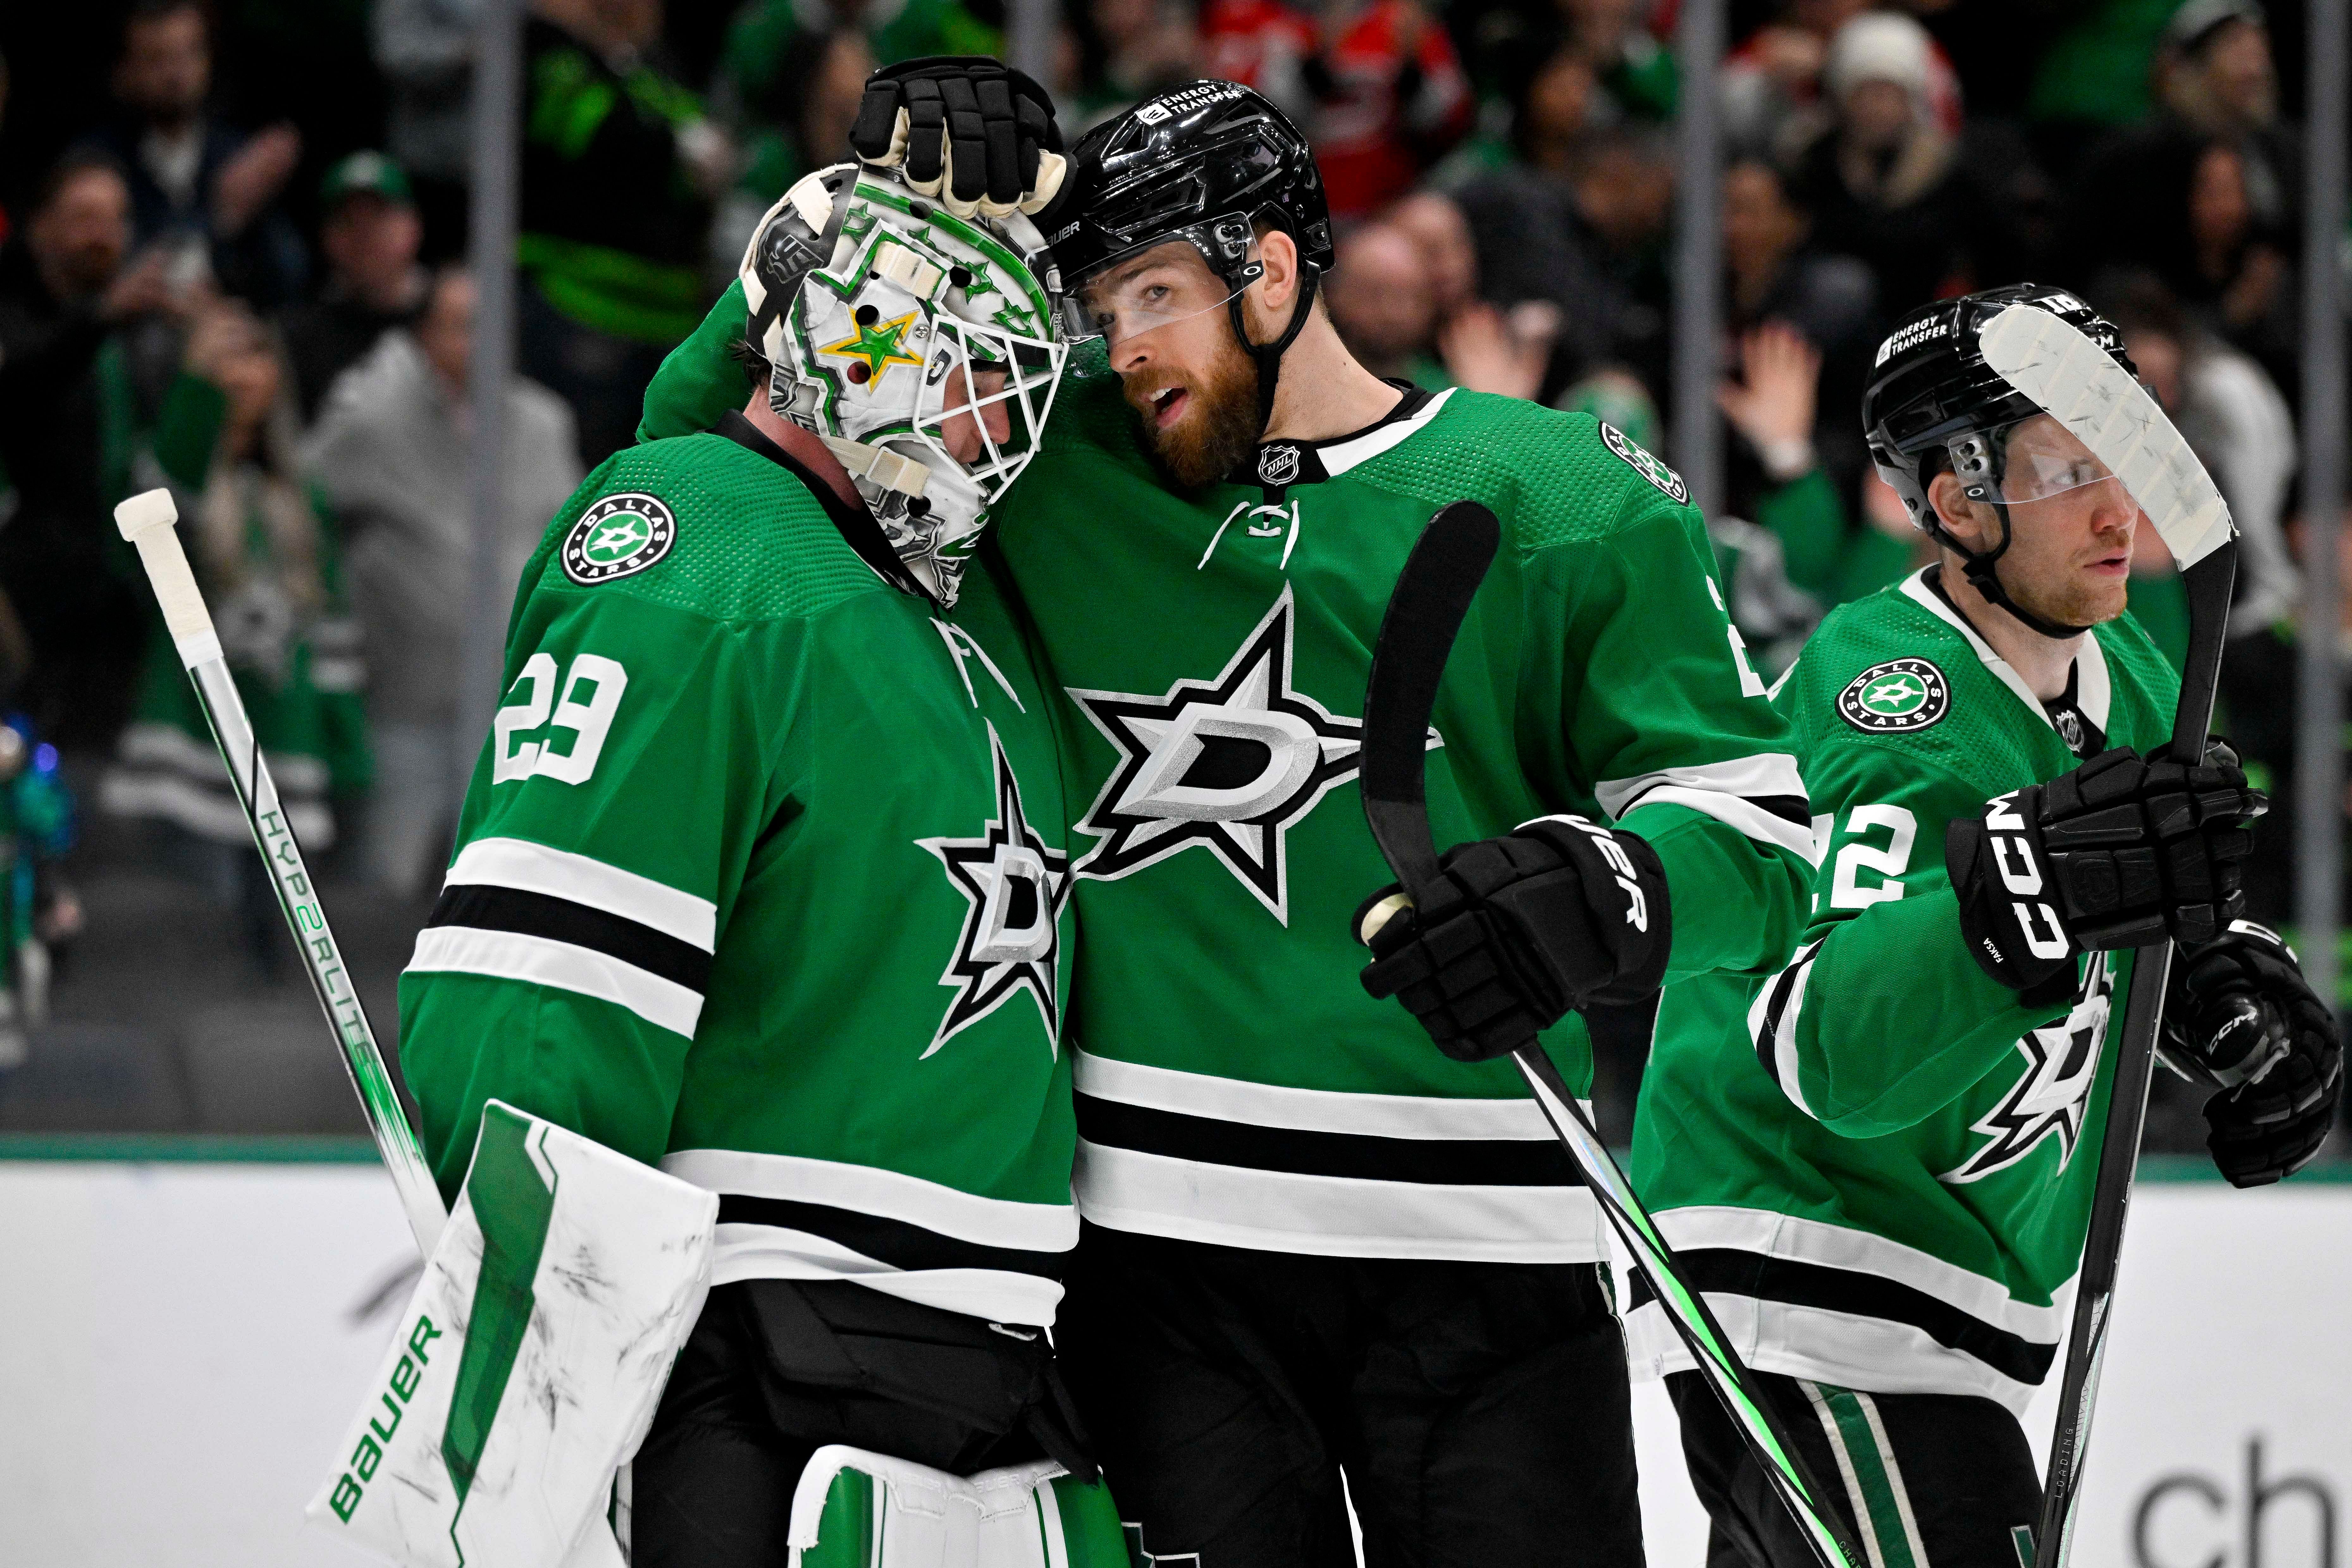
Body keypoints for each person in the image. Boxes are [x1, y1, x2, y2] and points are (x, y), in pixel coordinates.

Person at [646, 74, 1816, 1566]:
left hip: (1491, 1261)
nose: (1120, 351)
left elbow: (1770, 839)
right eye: (1097, 309)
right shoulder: (1033, 463)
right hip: (1153, 1270)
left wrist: (1600, 888)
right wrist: (830, 229)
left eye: (1152, 296)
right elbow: (716, 464)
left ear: (1266, 272)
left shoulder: (1562, 495)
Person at [398, 160, 1096, 1566]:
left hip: (989, 1351)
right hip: (763, 1327)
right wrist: (546, 1311)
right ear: (864, 351)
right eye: (981, 380)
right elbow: (549, 974)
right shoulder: (708, 545)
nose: (1008, 432)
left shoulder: (943, 611)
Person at [1627, 286, 2341, 1567]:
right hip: (1809, 1255)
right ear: (1955, 505)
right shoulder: (1885, 696)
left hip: (1937, 1283)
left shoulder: (2134, 681)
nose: (2115, 507)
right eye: (2063, 469)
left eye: (2118, 452)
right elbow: (1827, 1048)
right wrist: (2031, 899)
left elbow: (2119, 933)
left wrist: (2220, 1000)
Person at [102, 302, 370, 968]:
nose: (241, 375)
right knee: (196, 941)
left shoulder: (300, 494)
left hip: (285, 744)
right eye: (224, 359)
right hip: (195, 752)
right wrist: (196, 385)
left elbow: (332, 628)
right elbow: (164, 491)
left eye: (253, 356)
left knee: (282, 953)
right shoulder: (177, 478)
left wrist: (346, 747)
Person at [302, 266, 582, 897]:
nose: (479, 344)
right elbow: (299, 498)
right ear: (424, 337)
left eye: (490, 327)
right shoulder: (374, 419)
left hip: (516, 707)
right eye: (461, 328)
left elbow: (575, 545)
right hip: (404, 702)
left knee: (501, 889)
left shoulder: (544, 422)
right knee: (384, 886)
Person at [0, 150, 218, 745]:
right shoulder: (18, 316)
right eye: (85, 217)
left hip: (117, 611)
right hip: (25, 608)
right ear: (41, 227)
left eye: (115, 219)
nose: (103, 235)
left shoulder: (145, 337)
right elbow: (15, 389)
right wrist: (100, 319)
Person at [516, 0, 732, 466]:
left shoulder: (649, 68)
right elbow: (586, 134)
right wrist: (674, 149)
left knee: (657, 476)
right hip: (582, 309)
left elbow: (699, 134)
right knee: (584, 472)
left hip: (665, 321)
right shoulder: (553, 52)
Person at [76, 0, 306, 309]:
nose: (175, 74)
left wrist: (250, 211)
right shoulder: (99, 164)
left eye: (188, 53)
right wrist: (219, 217)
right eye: (157, 59)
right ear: (124, 72)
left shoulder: (238, 157)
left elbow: (289, 279)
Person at [278, 153, 431, 425]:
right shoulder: (295, 339)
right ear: (326, 236)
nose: (364, 236)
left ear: (413, 227)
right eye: (348, 221)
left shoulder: (454, 322)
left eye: (378, 218)